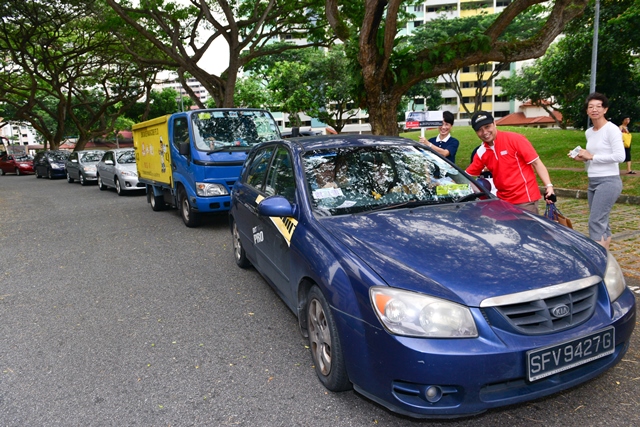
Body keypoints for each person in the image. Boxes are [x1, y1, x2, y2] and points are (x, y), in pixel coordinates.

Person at [465, 111, 555, 215]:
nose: (484, 132)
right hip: (502, 202)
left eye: (487, 126)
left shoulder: (515, 139)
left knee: (527, 231)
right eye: (479, 130)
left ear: (494, 124)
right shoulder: (481, 152)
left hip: (525, 199)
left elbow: (537, 163)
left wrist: (549, 186)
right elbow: (466, 175)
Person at [569, 93, 625, 250]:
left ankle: (597, 258)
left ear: (605, 109)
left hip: (608, 181)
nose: (594, 109)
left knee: (595, 221)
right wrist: (583, 158)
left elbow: (619, 157)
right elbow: (592, 157)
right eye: (590, 107)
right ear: (587, 111)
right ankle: (605, 257)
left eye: (598, 106)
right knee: (602, 221)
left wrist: (592, 156)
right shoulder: (589, 132)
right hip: (593, 180)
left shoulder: (612, 129)